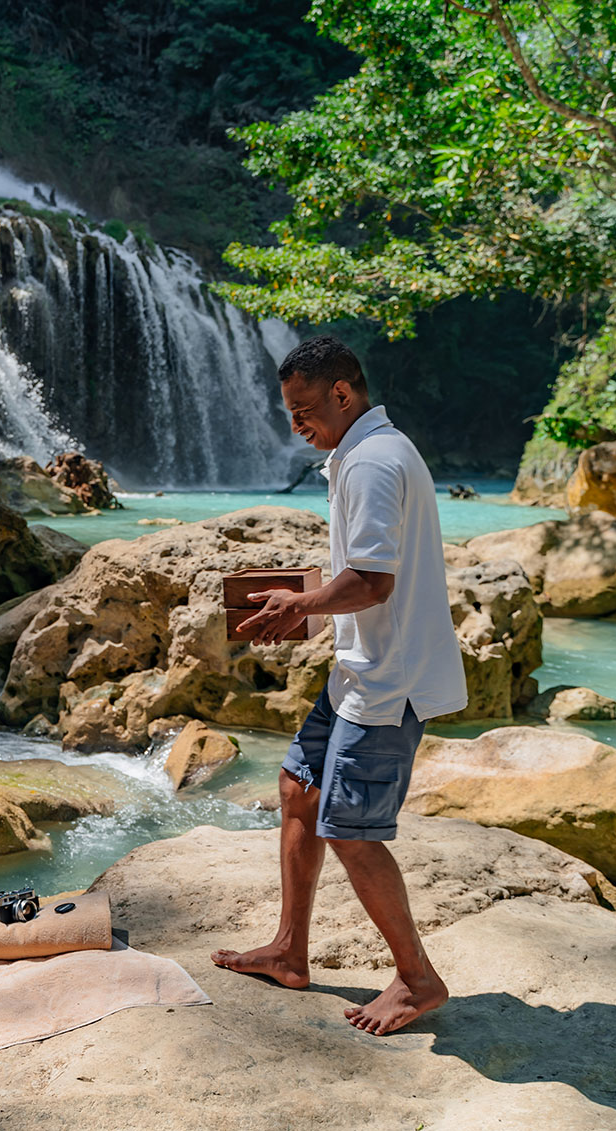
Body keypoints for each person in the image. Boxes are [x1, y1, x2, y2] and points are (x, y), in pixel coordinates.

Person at [213, 336, 467, 1035]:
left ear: (343, 394)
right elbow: (362, 568)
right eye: (290, 412)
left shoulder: (374, 462)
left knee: (350, 831)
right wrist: (305, 590)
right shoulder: (361, 454)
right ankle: (290, 951)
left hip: (389, 681)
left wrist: (300, 605)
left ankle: (418, 981)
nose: (296, 425)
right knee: (299, 786)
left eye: (303, 411)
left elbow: (375, 581)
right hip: (359, 669)